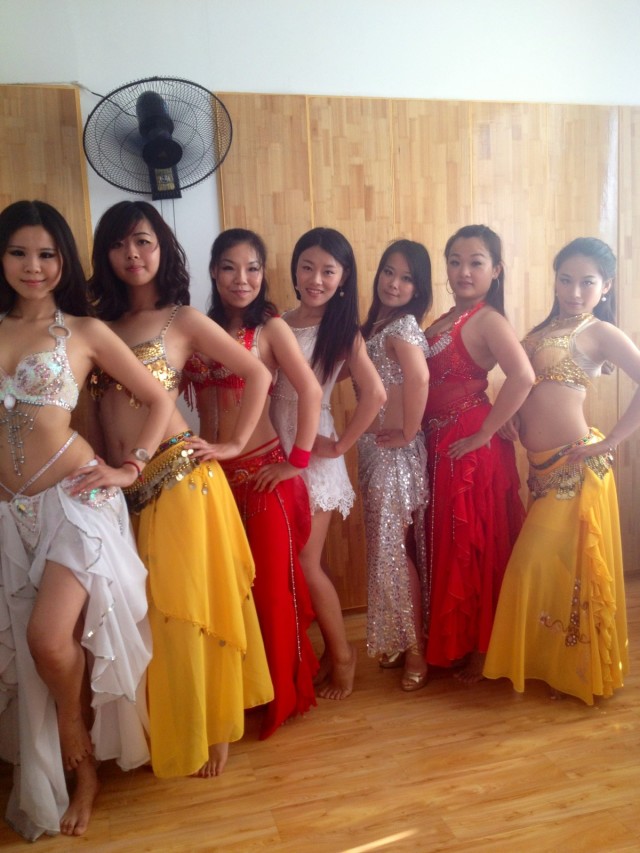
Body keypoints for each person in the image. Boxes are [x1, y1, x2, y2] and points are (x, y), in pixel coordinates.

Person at [0, 200, 174, 840]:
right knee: (38, 651)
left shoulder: (84, 331)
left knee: (49, 640)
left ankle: (79, 744)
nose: (34, 266)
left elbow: (158, 397)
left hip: (76, 499)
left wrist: (132, 469)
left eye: (47, 254)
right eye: (19, 252)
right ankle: (73, 769)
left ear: (65, 261)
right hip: (9, 510)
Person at [87, 201, 274, 779]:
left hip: (181, 480)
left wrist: (233, 442)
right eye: (119, 244)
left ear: (162, 247)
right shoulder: (94, 326)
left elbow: (258, 373)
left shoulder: (182, 319)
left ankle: (213, 729)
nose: (132, 254)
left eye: (142, 241)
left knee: (188, 612)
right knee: (150, 618)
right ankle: (168, 727)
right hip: (124, 490)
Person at [182, 228, 323, 739]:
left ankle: (281, 695)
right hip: (212, 479)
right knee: (227, 592)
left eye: (252, 268)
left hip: (263, 475)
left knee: (270, 591)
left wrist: (296, 463)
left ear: (263, 274)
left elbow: (310, 392)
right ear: (213, 272)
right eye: (229, 267)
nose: (241, 279)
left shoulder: (271, 328)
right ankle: (240, 691)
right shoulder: (197, 328)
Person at [484, 238, 638, 703]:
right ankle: (555, 669)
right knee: (559, 573)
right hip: (540, 469)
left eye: (587, 282)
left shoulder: (600, 331)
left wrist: (611, 440)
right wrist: (509, 414)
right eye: (566, 279)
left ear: (606, 286)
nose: (574, 291)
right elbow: (523, 385)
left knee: (533, 568)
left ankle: (578, 674)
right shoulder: (543, 328)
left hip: (576, 469)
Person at [270, 227, 386, 700]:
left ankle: (342, 655)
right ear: (295, 270)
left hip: (314, 458)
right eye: (307, 267)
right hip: (274, 448)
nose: (315, 279)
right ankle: (309, 656)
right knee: (287, 563)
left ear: (343, 278)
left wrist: (340, 448)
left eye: (328, 271)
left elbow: (375, 394)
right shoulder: (277, 321)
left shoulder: (342, 331)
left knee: (305, 562)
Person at [422, 225, 534, 683]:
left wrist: (487, 430)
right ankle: (451, 640)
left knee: (466, 544)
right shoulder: (448, 316)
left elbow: (522, 376)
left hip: (467, 443)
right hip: (437, 440)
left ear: (496, 269)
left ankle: (470, 645)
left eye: (475, 262)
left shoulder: (488, 319)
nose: (463, 271)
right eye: (455, 261)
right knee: (446, 541)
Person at [358, 240, 431, 690]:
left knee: (394, 553)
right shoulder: (377, 325)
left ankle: (418, 651)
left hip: (394, 455)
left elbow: (419, 377)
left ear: (417, 288)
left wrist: (407, 432)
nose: (394, 283)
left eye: (406, 278)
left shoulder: (402, 325)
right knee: (387, 552)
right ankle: (404, 640)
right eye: (388, 272)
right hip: (374, 451)